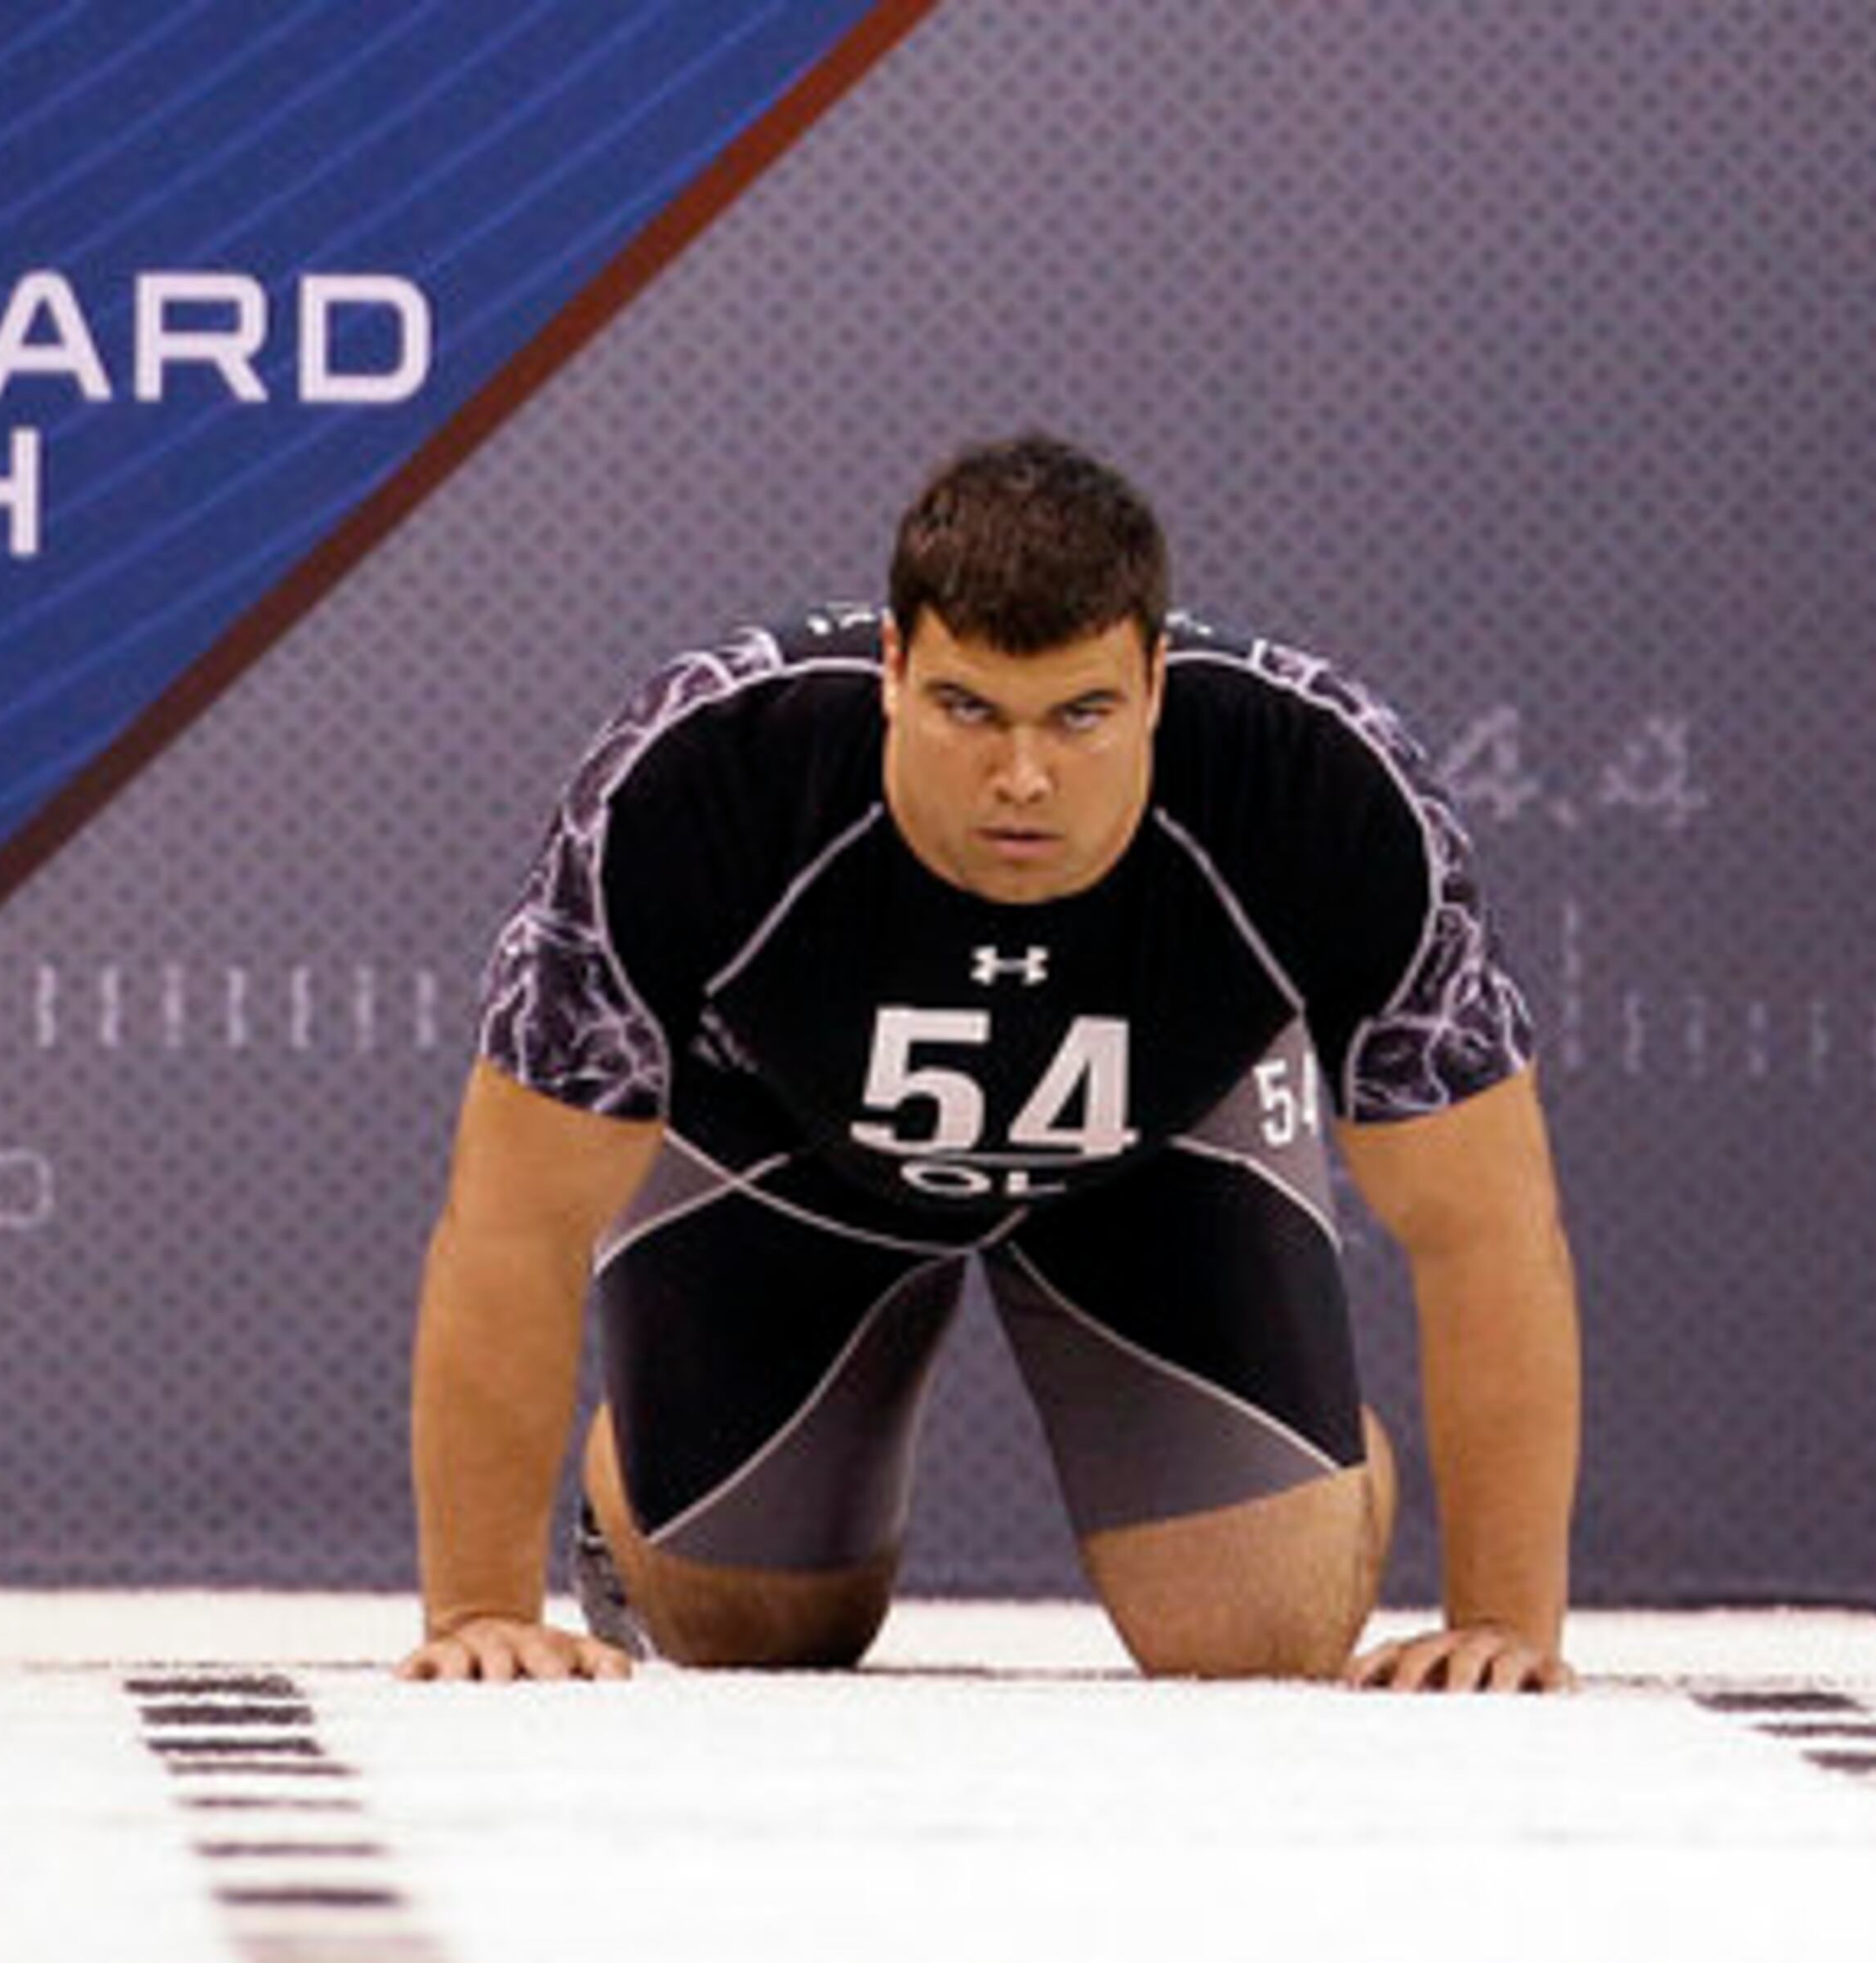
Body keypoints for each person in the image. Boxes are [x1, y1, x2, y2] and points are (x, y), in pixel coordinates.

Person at [398, 435, 1580, 1693]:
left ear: (1157, 683)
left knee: (1260, 1636)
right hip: (781, 1145)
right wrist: (479, 1607)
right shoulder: (694, 775)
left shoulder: (1326, 785)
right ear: (895, 670)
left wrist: (1504, 1621)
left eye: (1082, 715)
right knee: (751, 1632)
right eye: (971, 710)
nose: (1023, 777)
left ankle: (1309, 1465)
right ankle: (640, 1478)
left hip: (1162, 1148)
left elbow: (1487, 1228)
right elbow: (516, 1218)